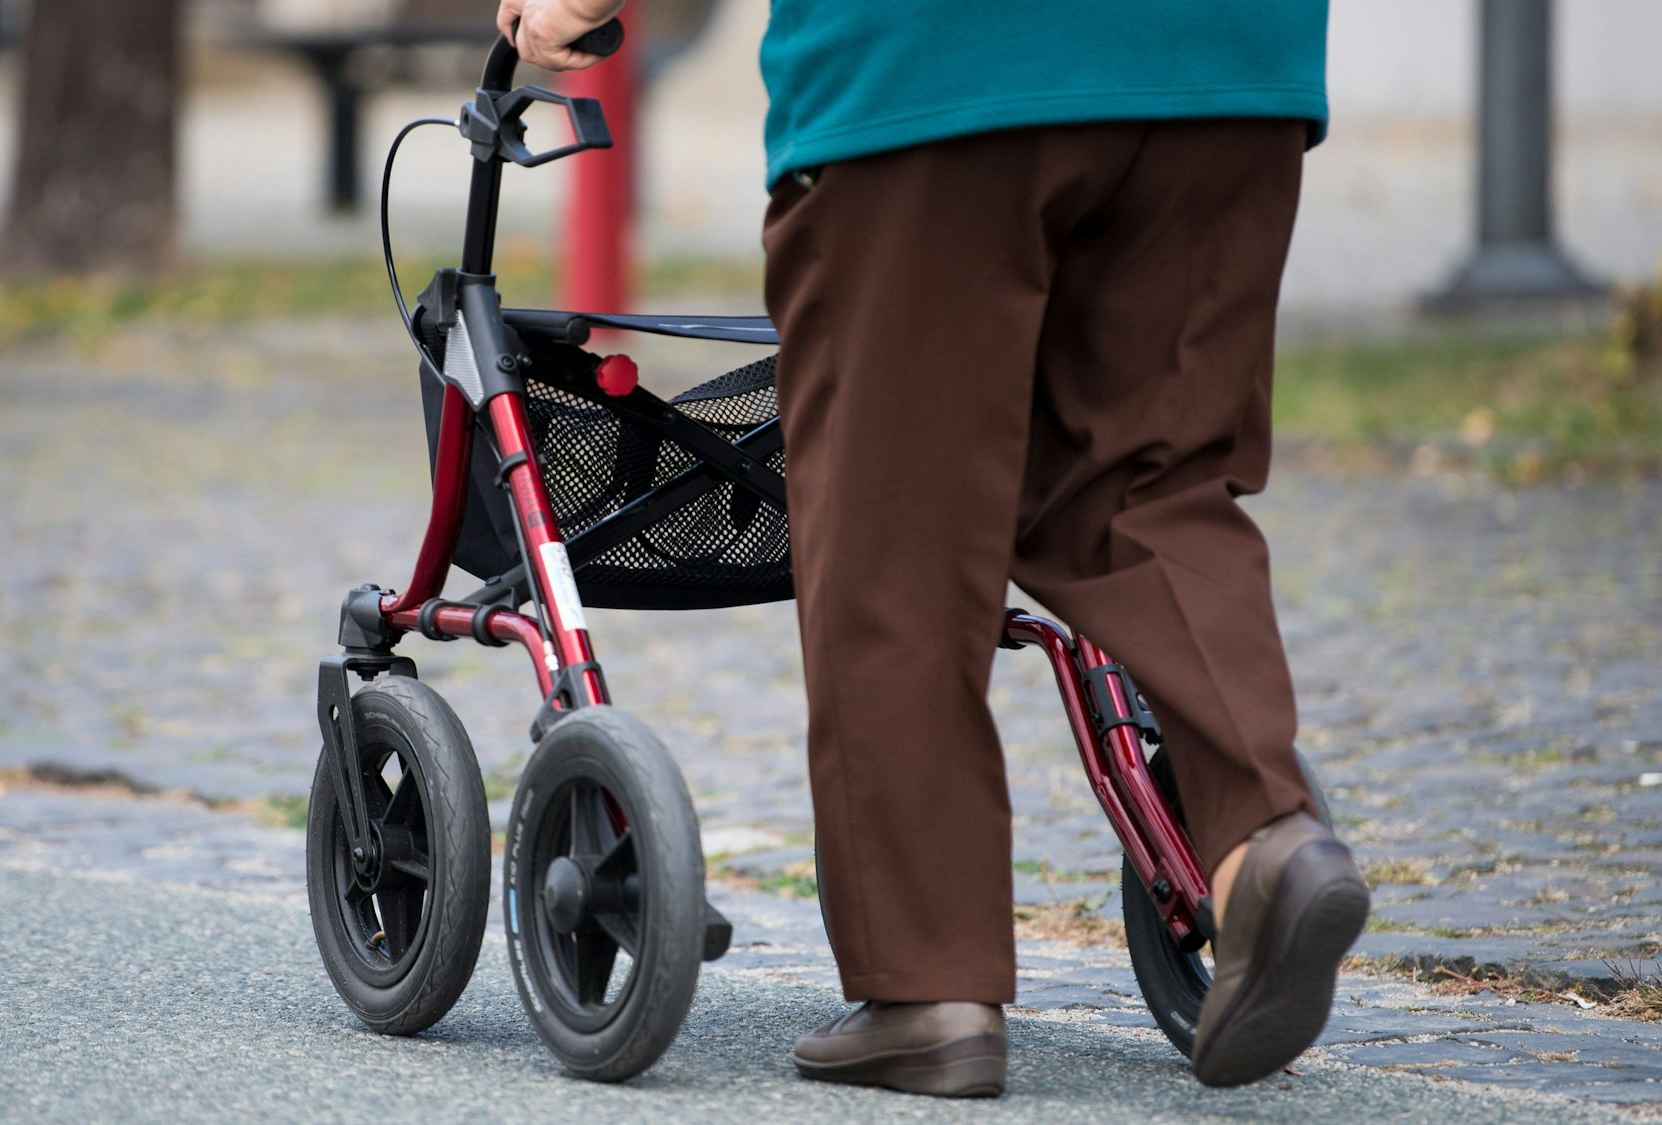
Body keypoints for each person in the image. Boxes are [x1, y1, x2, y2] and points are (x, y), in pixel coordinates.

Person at [500, 0, 1372, 1097]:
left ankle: (927, 988)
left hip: (932, 65)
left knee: (893, 528)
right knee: (1151, 485)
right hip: (1231, 66)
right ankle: (1264, 845)